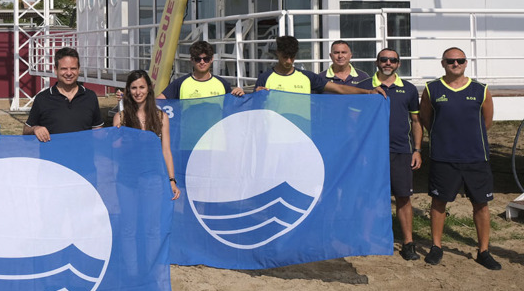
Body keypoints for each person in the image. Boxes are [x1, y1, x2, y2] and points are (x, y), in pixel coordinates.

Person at [419, 47, 500, 270]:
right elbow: (426, 119)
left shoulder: (480, 90)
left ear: (466, 63)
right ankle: (436, 247)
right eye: (451, 61)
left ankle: (483, 251)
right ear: (443, 63)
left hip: (475, 158)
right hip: (444, 157)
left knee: (481, 205)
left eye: (460, 61)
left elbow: (487, 122)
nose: (456, 64)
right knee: (438, 203)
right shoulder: (431, 89)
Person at [358, 49, 423, 261]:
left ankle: (408, 243)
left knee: (403, 197)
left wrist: (417, 150)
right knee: (369, 197)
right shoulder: (363, 87)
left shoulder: (410, 89)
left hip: (401, 151)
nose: (388, 63)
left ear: (398, 64)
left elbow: (416, 122)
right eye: (384, 59)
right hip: (371, 152)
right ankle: (366, 239)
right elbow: (352, 121)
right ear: (377, 62)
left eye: (392, 60)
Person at [114, 70, 181, 200]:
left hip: (153, 178)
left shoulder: (161, 117)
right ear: (128, 90)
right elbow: (116, 149)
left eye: (142, 87)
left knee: (152, 219)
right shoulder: (120, 117)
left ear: (149, 89)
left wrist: (171, 180)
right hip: (127, 179)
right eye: (134, 88)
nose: (138, 92)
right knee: (130, 220)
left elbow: (166, 150)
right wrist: (119, 138)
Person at [255, 36, 384, 96]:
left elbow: (341, 89)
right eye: (285, 57)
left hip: (302, 135)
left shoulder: (308, 77)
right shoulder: (265, 77)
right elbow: (253, 107)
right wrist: (243, 93)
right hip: (275, 135)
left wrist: (369, 92)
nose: (289, 61)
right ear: (277, 54)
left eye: (292, 57)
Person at [24, 47, 103, 141]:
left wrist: (117, 133)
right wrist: (35, 129)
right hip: (52, 155)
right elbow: (26, 132)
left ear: (79, 70)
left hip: (83, 155)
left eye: (73, 68)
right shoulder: (42, 98)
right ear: (55, 70)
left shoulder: (90, 97)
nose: (69, 73)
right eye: (64, 69)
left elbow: (98, 131)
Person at [162, 41, 245, 100]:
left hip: (217, 125)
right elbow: (159, 101)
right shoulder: (180, 83)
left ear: (212, 59)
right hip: (189, 125)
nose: (202, 62)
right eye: (198, 59)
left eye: (206, 59)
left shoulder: (222, 84)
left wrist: (239, 94)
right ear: (192, 60)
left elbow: (234, 106)